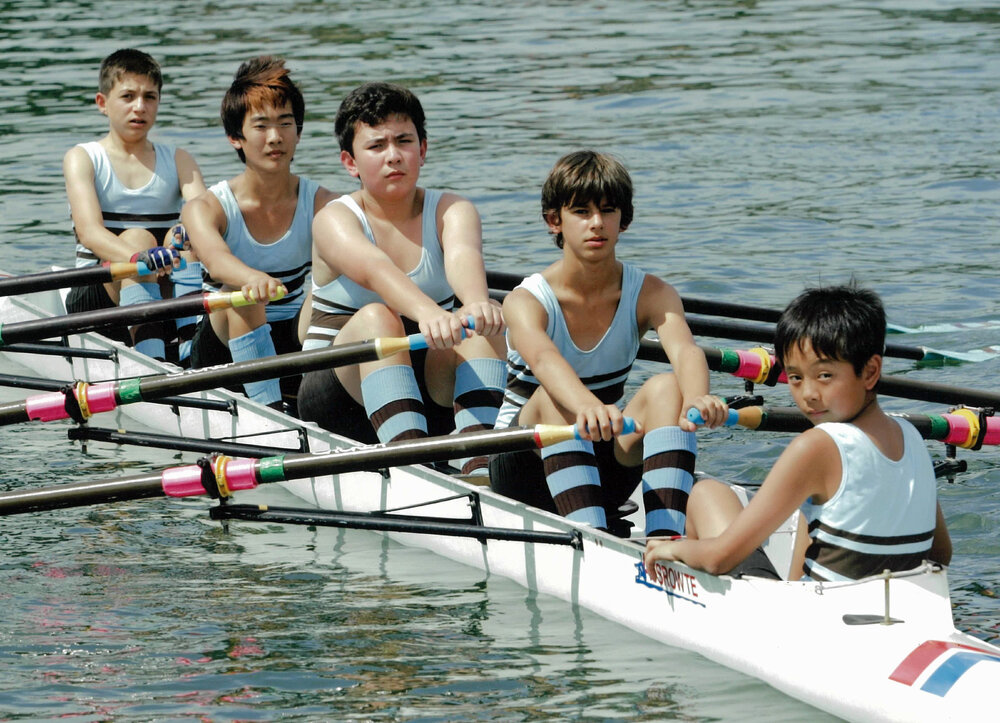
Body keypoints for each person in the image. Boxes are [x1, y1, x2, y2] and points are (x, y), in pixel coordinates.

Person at [488, 150, 728, 536]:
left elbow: (685, 350)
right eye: (581, 212)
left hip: (602, 455)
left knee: (668, 387)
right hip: (522, 465)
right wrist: (586, 405)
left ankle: (665, 542)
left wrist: (698, 399)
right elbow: (544, 358)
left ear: (624, 220)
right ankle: (595, 545)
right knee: (557, 399)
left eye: (608, 211)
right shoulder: (526, 301)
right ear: (555, 222)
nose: (596, 224)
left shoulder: (652, 293)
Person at [644, 284, 953, 581]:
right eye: (795, 377)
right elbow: (941, 553)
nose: (808, 394)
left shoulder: (817, 445)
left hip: (815, 619)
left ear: (870, 371)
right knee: (814, 505)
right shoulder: (911, 436)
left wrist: (672, 548)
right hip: (888, 609)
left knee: (704, 493)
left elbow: (717, 559)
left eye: (825, 375)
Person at [298, 81, 505, 475]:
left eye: (404, 141)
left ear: (422, 150)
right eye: (376, 146)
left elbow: (462, 256)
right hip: (340, 398)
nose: (393, 156)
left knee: (485, 316)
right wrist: (428, 311)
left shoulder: (453, 208)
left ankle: (478, 464)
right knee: (380, 317)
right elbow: (377, 270)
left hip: (427, 388)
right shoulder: (334, 219)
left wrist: (477, 302)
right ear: (350, 163)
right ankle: (414, 466)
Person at [182, 56, 338, 410]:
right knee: (242, 293)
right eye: (261, 125)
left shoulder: (324, 202)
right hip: (218, 346)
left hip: (292, 335)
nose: (275, 137)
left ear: (298, 131)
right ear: (235, 138)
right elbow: (218, 261)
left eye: (285, 123)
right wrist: (253, 278)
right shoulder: (207, 207)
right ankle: (271, 414)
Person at [63, 48, 206, 362]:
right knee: (139, 238)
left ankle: (188, 351)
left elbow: (205, 218)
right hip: (95, 296)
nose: (139, 107)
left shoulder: (179, 158)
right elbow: (89, 233)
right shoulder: (83, 158)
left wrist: (190, 235)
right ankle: (154, 364)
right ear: (103, 103)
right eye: (128, 96)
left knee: (189, 234)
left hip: (159, 288)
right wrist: (138, 257)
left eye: (149, 97)